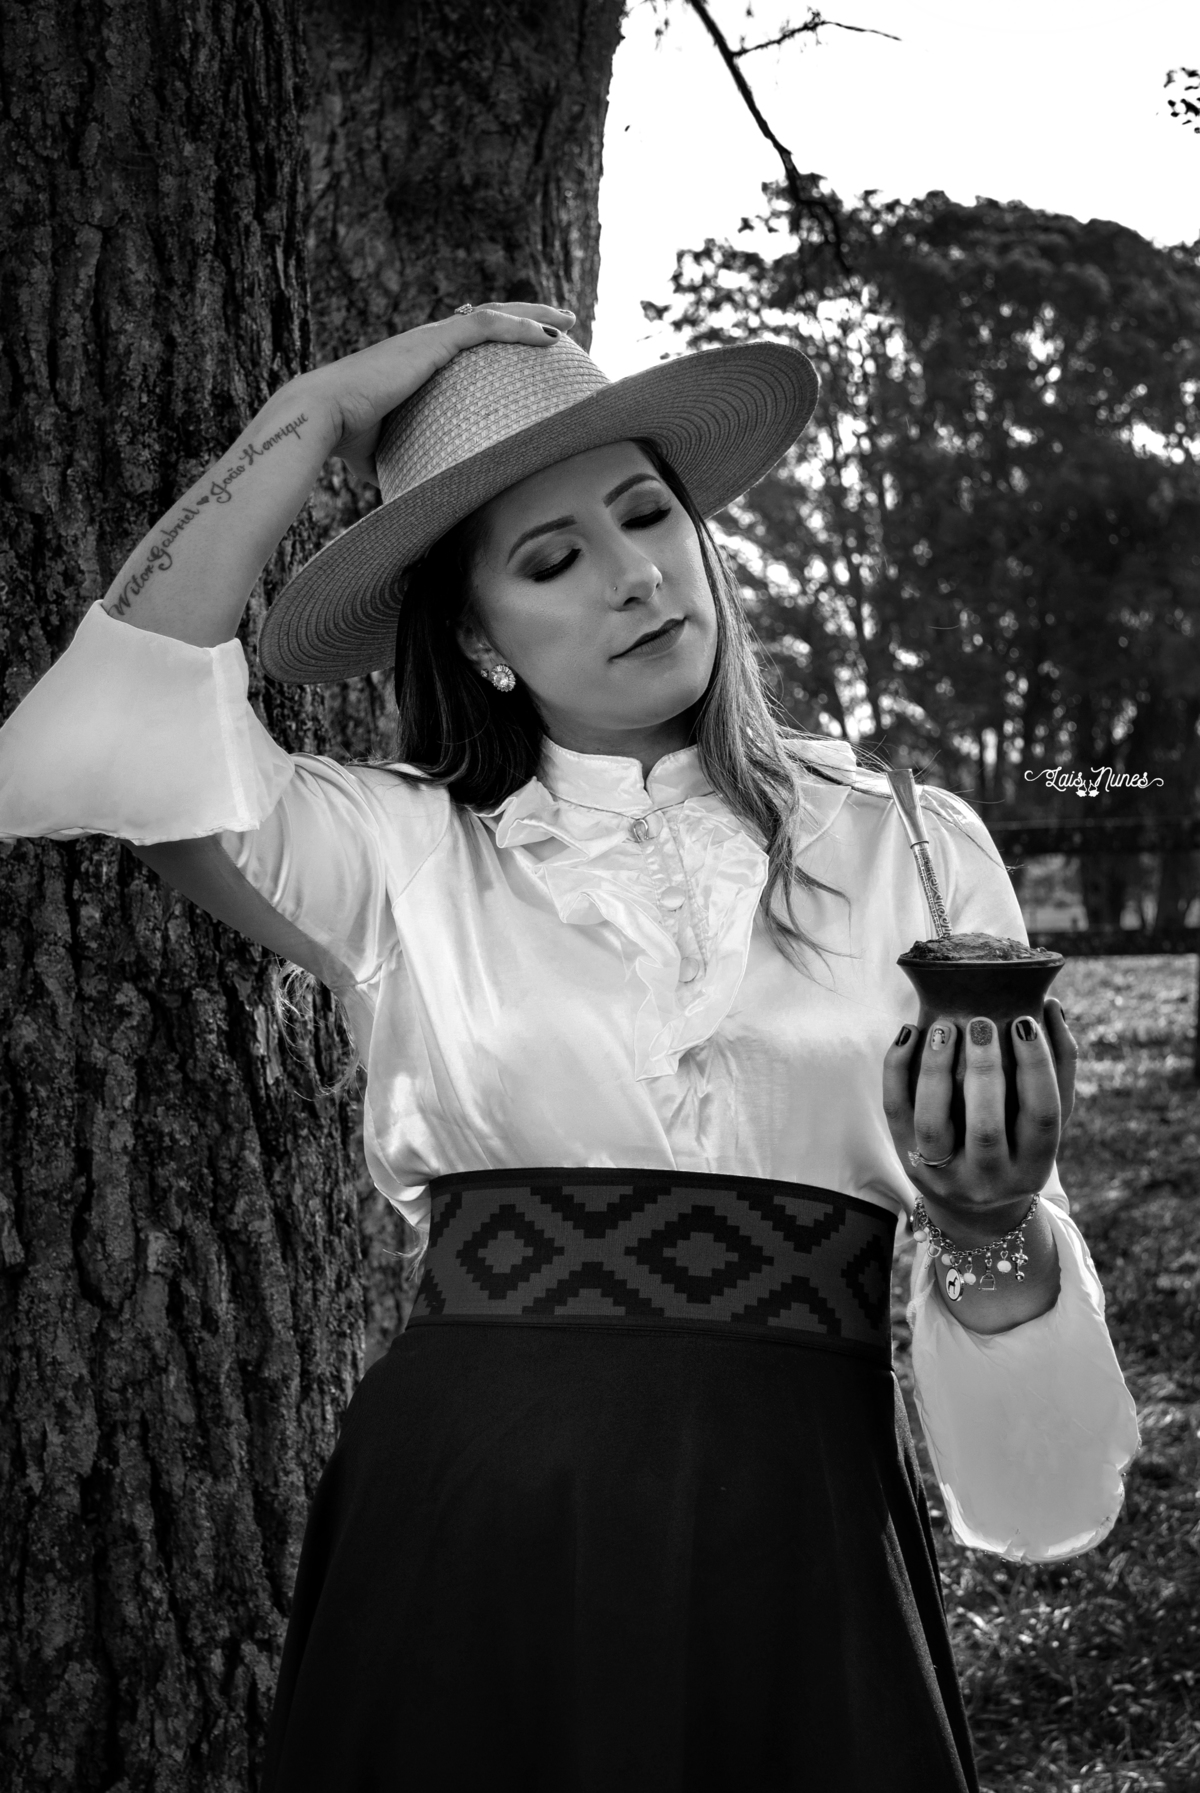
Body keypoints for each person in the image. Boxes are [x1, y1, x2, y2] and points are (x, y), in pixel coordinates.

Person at [0, 301, 1139, 1792]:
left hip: (798, 1509)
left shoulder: (914, 847)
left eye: (647, 514)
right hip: (471, 1514)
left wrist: (991, 1223)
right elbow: (117, 739)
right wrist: (315, 409)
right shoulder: (397, 851)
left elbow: (1013, 1329)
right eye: (551, 560)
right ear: (479, 639)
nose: (635, 574)